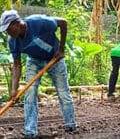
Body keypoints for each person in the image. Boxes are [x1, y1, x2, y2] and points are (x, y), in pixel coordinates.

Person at [0, 10, 77, 138]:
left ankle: (71, 124)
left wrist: (61, 49)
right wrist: (14, 90)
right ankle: (30, 131)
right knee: (30, 93)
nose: (8, 33)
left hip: (55, 59)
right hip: (34, 61)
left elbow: (63, 23)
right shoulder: (12, 41)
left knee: (63, 92)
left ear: (17, 24)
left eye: (8, 29)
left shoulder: (39, 22)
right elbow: (17, 65)